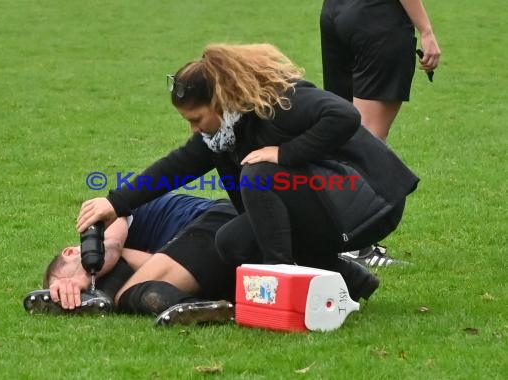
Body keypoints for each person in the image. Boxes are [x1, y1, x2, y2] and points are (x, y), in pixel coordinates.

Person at [76, 43, 420, 303]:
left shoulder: (280, 102)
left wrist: (285, 153)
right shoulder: (222, 132)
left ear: (221, 100)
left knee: (257, 174)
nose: (194, 129)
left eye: (196, 119)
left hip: (371, 203)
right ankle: (350, 279)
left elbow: (344, 116)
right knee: (231, 241)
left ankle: (282, 288)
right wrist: (116, 203)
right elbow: (176, 166)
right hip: (330, 205)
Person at [24, 193, 237, 325]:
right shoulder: (139, 272)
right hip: (218, 263)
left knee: (124, 292)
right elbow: (168, 265)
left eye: (71, 285)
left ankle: (199, 308)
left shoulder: (110, 212)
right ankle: (214, 307)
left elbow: (113, 247)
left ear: (70, 252)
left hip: (220, 222)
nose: (83, 286)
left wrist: (82, 277)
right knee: (131, 290)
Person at [319, 0, 441, 141]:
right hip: (376, 17)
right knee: (368, 137)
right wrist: (426, 31)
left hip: (333, 12)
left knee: (342, 129)